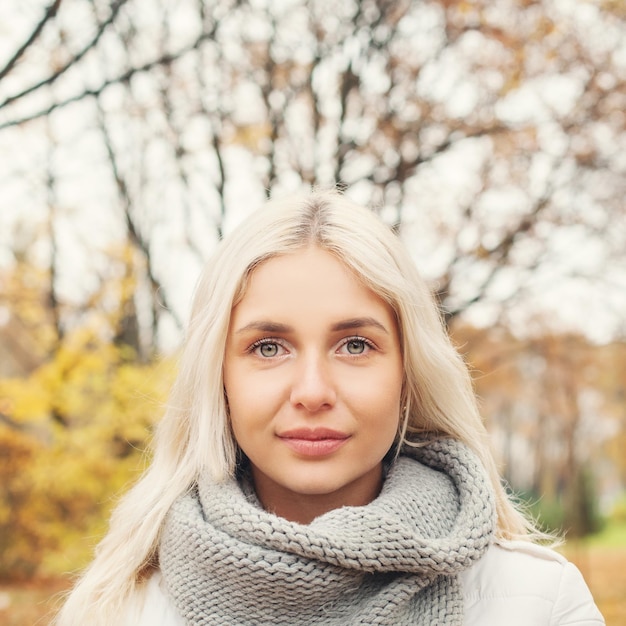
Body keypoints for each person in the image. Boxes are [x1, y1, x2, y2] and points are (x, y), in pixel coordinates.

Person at [55, 190, 604, 625]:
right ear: (216, 379)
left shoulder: (537, 604)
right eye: (268, 347)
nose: (312, 391)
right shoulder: (117, 610)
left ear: (407, 375)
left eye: (355, 345)